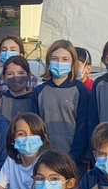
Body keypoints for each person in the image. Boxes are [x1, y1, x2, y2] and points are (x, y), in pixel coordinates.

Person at [35, 39, 92, 167]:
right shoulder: (39, 91)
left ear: (72, 63)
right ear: (48, 62)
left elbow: (82, 128)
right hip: (45, 160)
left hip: (74, 161)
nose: (59, 63)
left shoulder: (80, 91)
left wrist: (73, 158)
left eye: (65, 59)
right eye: (55, 59)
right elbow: (35, 129)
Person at [0, 55, 38, 121]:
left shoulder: (34, 100)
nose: (16, 77)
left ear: (28, 76)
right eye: (10, 74)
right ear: (4, 78)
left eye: (20, 73)